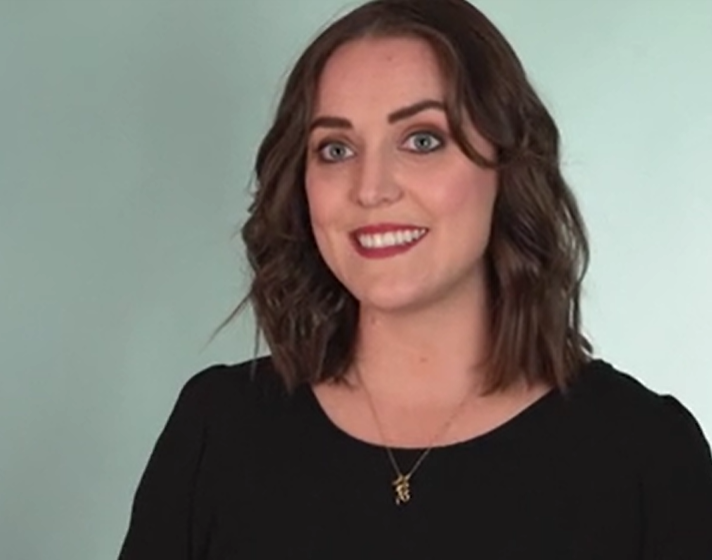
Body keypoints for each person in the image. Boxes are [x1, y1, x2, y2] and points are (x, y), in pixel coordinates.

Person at [118, 0, 712, 558]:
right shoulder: (217, 430)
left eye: (422, 140)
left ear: (508, 167)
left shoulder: (647, 456)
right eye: (335, 149)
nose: (371, 188)